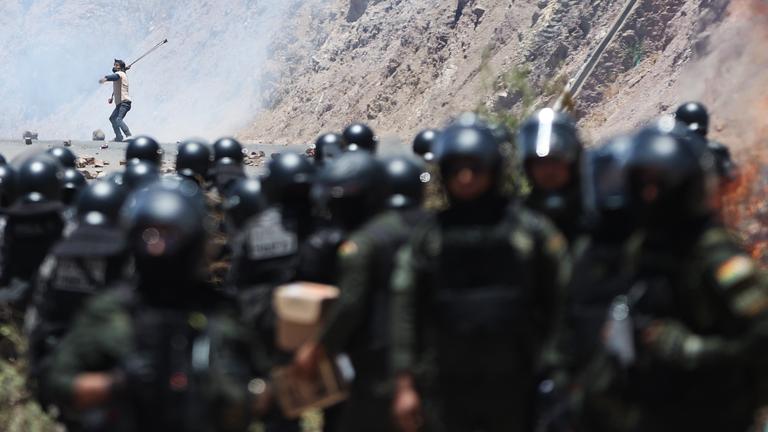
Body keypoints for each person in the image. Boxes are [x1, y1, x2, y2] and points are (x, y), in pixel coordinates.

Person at [577, 119, 768, 432]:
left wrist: (689, 349)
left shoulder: (713, 254)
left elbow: (761, 338)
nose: (650, 194)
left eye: (660, 183)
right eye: (643, 184)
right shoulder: (640, 250)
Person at [46, 178, 269, 432]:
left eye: (170, 235)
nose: (158, 247)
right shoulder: (111, 311)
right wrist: (115, 384)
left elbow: (268, 386)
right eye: (149, 235)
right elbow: (59, 384)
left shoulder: (222, 313)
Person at [390, 120, 569, 432]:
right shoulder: (429, 238)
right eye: (457, 169)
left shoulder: (529, 230)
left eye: (476, 168)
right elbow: (405, 308)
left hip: (520, 382)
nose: (466, 178)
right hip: (448, 385)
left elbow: (563, 298)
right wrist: (404, 383)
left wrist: (558, 369)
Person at [294, 155, 427, 432]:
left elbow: (349, 306)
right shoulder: (426, 228)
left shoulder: (364, 242)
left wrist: (317, 349)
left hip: (380, 363)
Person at [26, 180, 131, 419]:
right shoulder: (126, 257)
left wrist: (34, 368)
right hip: (105, 373)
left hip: (59, 366)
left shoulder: (58, 255)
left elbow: (37, 314)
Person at [518, 108, 587, 244]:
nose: (548, 170)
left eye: (555, 161)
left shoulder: (595, 205)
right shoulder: (520, 218)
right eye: (539, 163)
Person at [98, 59, 132, 143]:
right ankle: (119, 137)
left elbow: (115, 77)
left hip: (124, 103)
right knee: (112, 118)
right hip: (120, 104)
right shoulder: (122, 74)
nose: (114, 67)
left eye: (117, 65)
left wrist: (106, 78)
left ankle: (129, 136)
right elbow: (118, 85)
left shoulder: (119, 74)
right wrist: (112, 97)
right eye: (114, 65)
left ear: (120, 67)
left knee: (118, 119)